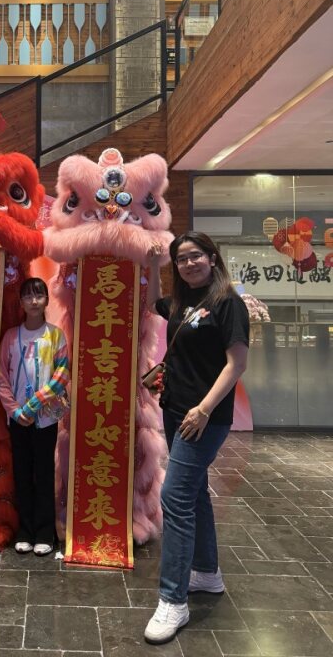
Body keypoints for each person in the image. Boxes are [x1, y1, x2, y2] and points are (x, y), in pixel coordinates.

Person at [144, 231, 249, 645]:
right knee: (195, 493)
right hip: (175, 410)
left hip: (204, 417)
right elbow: (156, 303)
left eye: (195, 257)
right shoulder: (183, 302)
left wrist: (204, 409)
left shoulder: (228, 302)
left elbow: (236, 363)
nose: (189, 265)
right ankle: (206, 573)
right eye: (181, 260)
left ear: (212, 257)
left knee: (176, 497)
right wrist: (154, 265)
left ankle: (173, 601)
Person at [0, 277, 69, 556]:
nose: (34, 301)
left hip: (45, 418)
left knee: (44, 473)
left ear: (47, 301)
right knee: (22, 474)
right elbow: (1, 376)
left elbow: (61, 375)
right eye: (28, 296)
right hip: (17, 419)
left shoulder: (56, 335)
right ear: (21, 302)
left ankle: (45, 533)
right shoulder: (10, 336)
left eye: (39, 296)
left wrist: (34, 405)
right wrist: (15, 410)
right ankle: (25, 531)